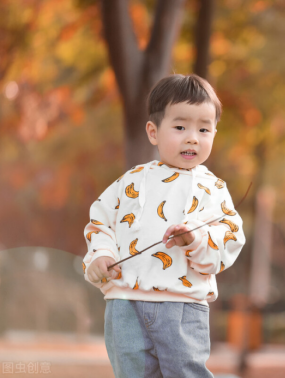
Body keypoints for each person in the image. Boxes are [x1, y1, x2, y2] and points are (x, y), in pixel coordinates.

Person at [82, 74, 246, 378]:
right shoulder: (130, 181)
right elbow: (101, 220)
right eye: (180, 127)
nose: (192, 137)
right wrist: (101, 255)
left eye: (204, 129)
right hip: (125, 303)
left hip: (182, 306)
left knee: (186, 373)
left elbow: (230, 237)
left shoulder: (214, 189)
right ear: (153, 132)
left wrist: (195, 240)